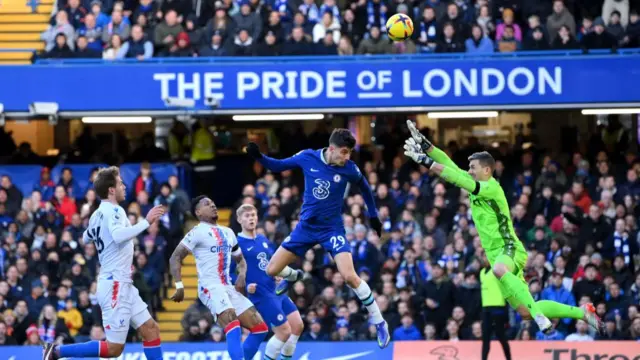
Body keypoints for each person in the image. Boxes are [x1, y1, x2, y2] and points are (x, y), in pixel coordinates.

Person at [402, 120, 605, 335]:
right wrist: (426, 146)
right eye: (469, 168)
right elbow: (449, 164)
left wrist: (425, 161)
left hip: (509, 248)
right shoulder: (474, 185)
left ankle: (538, 314)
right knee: (522, 312)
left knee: (503, 275)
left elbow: (452, 176)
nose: (468, 171)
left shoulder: (491, 187)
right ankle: (582, 312)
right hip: (494, 254)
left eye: (473, 168)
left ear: (487, 170)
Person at [245, 128, 390, 348]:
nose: (347, 157)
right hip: (305, 228)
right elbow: (278, 165)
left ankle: (379, 322)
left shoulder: (350, 168)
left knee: (350, 276)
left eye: (349, 152)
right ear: (331, 149)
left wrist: (373, 216)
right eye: (343, 152)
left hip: (331, 230)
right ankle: (293, 276)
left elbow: (365, 188)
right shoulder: (307, 157)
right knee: (271, 270)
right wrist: (259, 157)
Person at [43, 167, 165, 360]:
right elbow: (117, 236)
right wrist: (146, 222)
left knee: (151, 329)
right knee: (114, 349)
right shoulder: (115, 211)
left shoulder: (97, 214)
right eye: (120, 183)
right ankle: (57, 351)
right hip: (115, 284)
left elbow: (85, 237)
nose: (124, 186)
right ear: (111, 189)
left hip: (121, 282)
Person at [169, 196, 268, 360]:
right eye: (207, 204)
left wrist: (242, 276)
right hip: (210, 287)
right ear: (198, 212)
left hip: (227, 286)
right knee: (232, 323)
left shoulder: (228, 232)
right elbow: (175, 257)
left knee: (260, 329)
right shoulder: (196, 232)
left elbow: (240, 260)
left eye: (213, 202)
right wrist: (179, 285)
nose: (213, 205)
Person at [235, 204, 304, 360]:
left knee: (297, 326)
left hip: (276, 289)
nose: (251, 218)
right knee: (284, 331)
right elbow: (229, 273)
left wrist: (278, 274)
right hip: (261, 295)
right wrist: (245, 285)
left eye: (253, 215)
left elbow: (272, 262)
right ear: (239, 219)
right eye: (247, 216)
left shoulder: (262, 239)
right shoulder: (237, 244)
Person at [479, 251, 511, 360]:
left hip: (498, 306)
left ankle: (509, 358)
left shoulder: (497, 271)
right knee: (486, 337)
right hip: (486, 308)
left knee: (500, 335)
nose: (485, 259)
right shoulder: (482, 272)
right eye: (484, 256)